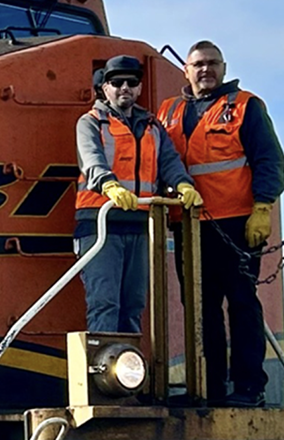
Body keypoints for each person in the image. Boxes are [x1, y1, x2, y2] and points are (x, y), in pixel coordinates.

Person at [158, 41, 284, 407]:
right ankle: (210, 388)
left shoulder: (246, 107)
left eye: (212, 63)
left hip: (236, 226)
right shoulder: (168, 111)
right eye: (198, 64)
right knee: (201, 308)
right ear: (186, 69)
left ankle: (249, 387)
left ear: (224, 67)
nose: (205, 70)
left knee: (243, 303)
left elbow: (270, 161)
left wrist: (262, 208)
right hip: (189, 225)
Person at [75, 55, 202, 334]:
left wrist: (184, 184)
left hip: (141, 225)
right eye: (116, 82)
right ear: (104, 87)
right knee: (104, 303)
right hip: (100, 224)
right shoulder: (90, 122)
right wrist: (109, 185)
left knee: (133, 304)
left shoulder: (153, 127)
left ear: (140, 88)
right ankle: (101, 374)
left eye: (131, 82)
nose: (124, 88)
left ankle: (126, 373)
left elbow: (169, 161)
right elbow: (91, 159)